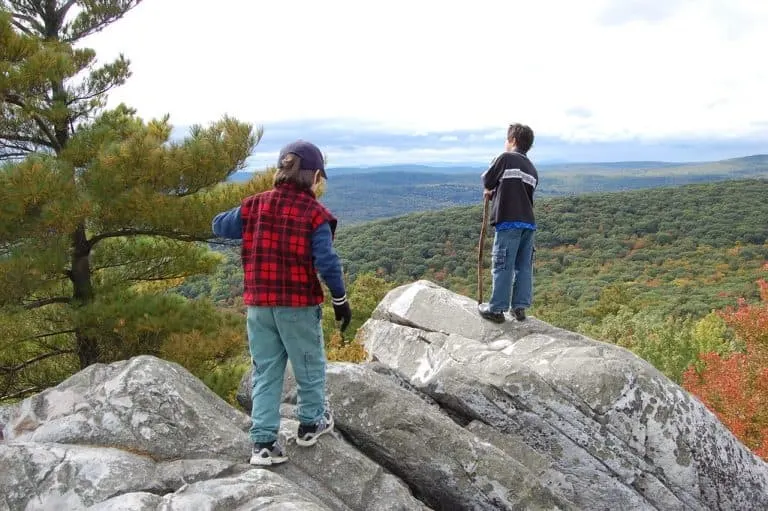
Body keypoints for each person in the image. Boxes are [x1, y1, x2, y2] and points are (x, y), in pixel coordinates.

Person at [211, 139, 352, 466]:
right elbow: (327, 262)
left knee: (265, 371)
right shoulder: (315, 214)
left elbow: (219, 224)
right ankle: (311, 422)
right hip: (298, 305)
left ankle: (263, 443)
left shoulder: (254, 205)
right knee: (308, 363)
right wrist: (340, 299)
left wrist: (252, 211)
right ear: (315, 176)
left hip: (258, 306)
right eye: (320, 177)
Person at [477, 123, 538, 323]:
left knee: (502, 264)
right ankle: (519, 307)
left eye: (507, 139)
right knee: (523, 266)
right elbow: (518, 193)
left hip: (509, 221)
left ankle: (497, 309)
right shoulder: (532, 169)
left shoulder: (505, 158)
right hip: (528, 223)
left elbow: (488, 180)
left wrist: (490, 190)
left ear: (512, 140)